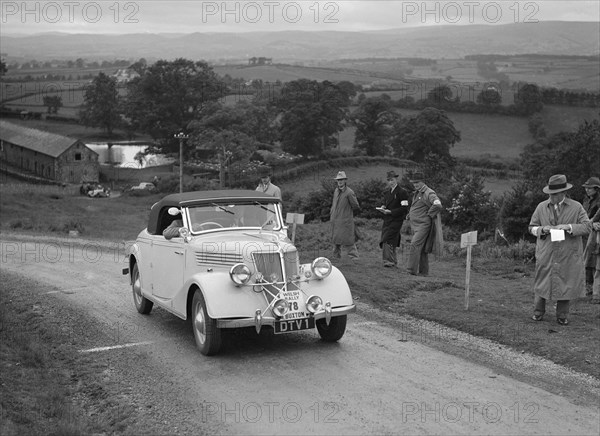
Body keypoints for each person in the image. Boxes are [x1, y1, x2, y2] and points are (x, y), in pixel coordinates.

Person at [529, 174, 591, 325]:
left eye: (554, 194)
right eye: (550, 194)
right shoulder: (541, 206)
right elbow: (531, 227)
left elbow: (587, 227)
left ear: (563, 193)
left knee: (566, 283)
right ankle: (538, 313)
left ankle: (562, 316)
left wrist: (569, 227)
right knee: (542, 282)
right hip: (546, 252)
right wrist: (542, 229)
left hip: (567, 254)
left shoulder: (576, 207)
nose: (551, 197)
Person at [406, 172, 443, 276]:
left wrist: (429, 214)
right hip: (416, 225)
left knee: (414, 245)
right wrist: (410, 214)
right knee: (421, 249)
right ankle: (424, 272)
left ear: (423, 181)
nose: (415, 184)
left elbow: (438, 205)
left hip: (423, 225)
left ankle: (410, 270)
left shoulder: (429, 193)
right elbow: (418, 206)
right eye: (414, 182)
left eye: (417, 182)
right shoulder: (418, 192)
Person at [378, 170, 409, 267]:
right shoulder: (387, 192)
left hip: (396, 220)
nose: (390, 182)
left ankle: (389, 262)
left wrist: (391, 212)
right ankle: (392, 261)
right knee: (391, 239)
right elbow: (386, 203)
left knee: (387, 239)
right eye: (389, 180)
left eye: (392, 180)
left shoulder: (402, 192)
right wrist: (383, 207)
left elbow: (404, 209)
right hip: (387, 219)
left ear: (396, 179)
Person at [330, 170, 360, 260]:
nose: (340, 181)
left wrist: (347, 214)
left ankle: (354, 258)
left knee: (348, 240)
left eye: (341, 180)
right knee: (336, 240)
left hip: (345, 221)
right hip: (335, 220)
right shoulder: (336, 191)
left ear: (345, 180)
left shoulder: (349, 192)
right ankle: (336, 258)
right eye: (338, 180)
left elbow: (356, 206)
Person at [582, 177, 600, 289]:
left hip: (595, 233)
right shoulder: (585, 200)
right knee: (586, 260)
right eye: (586, 188)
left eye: (590, 188)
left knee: (593, 260)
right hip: (584, 231)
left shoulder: (599, 201)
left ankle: (593, 287)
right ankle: (588, 285)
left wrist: (593, 224)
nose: (587, 190)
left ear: (596, 189)